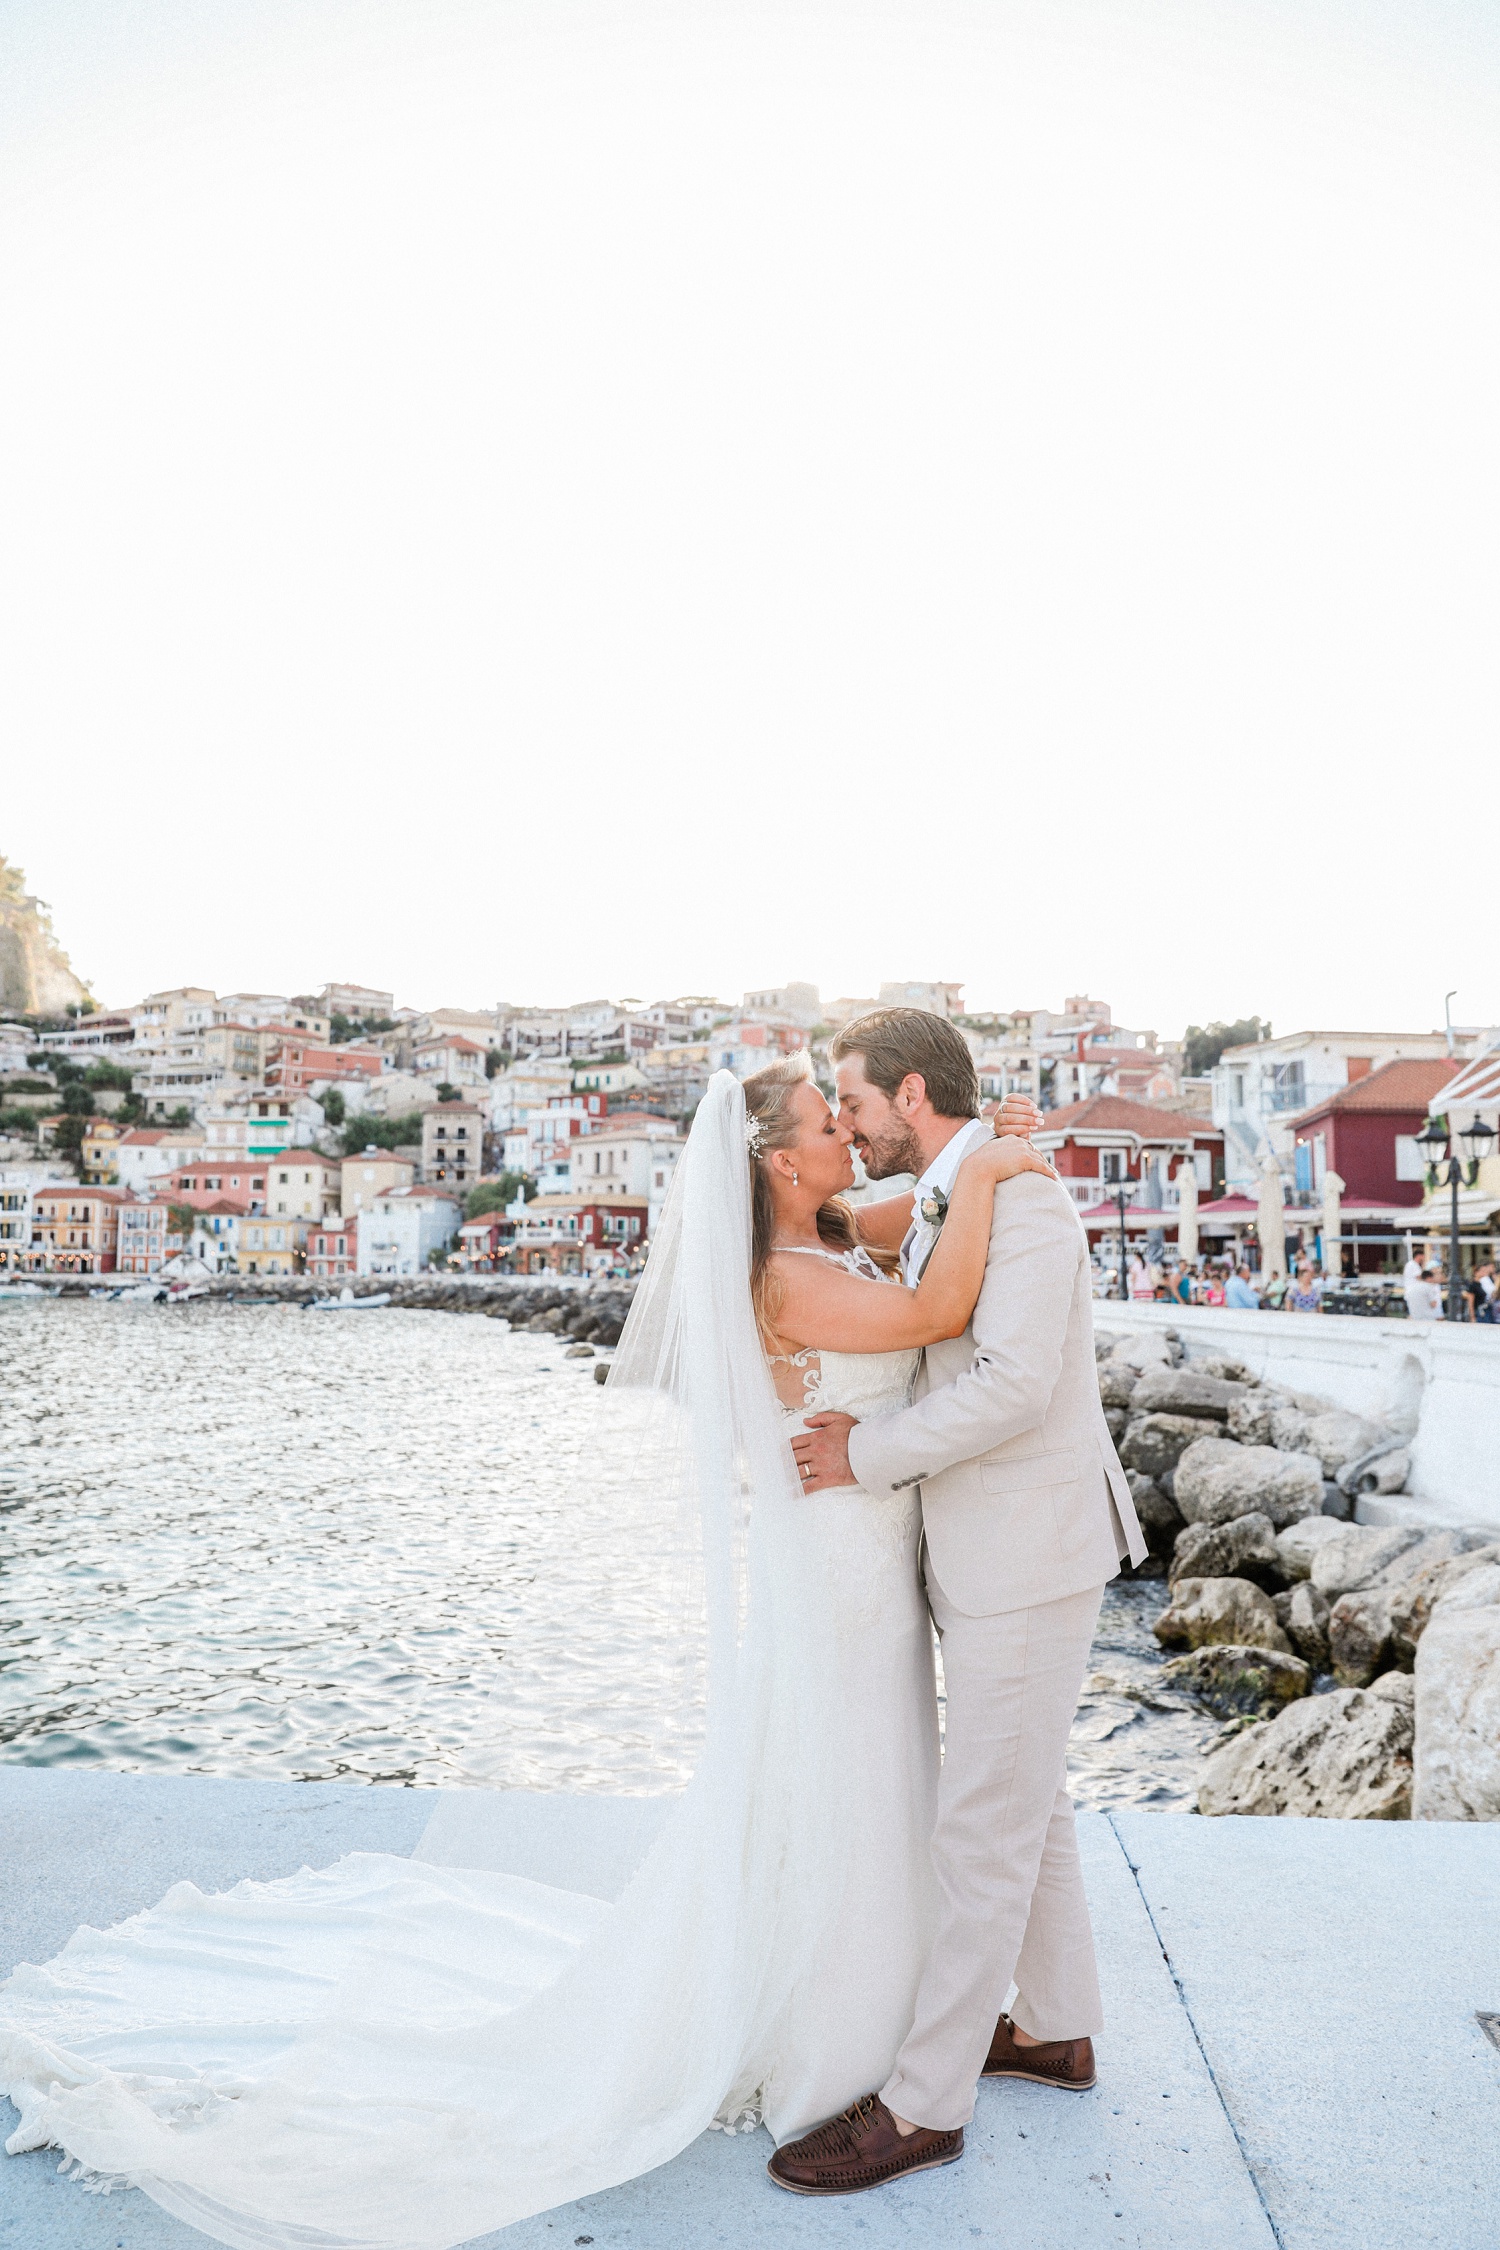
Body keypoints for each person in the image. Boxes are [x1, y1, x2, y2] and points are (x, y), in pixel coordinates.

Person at [0, 1049, 1089, 2245]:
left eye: (853, 1114)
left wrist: (979, 1157)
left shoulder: (833, 1227)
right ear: (781, 1160)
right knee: (862, 1786)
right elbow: (936, 1308)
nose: (850, 1136)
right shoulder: (784, 1271)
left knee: (915, 1792)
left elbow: (915, 1214)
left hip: (879, 1552)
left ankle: (967, 2021)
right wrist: (997, 1168)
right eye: (832, 1123)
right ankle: (862, 2044)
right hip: (844, 1565)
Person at [778, 1009, 1146, 2197]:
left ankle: (923, 2106)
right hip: (989, 1549)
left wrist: (866, 1454)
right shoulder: (956, 1184)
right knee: (1024, 1807)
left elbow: (1014, 1383)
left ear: (915, 1092)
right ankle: (1053, 2029)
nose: (847, 1122)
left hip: (1029, 1552)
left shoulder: (1021, 1199)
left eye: (858, 1102)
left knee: (982, 1827)